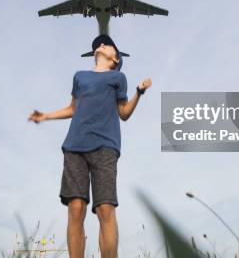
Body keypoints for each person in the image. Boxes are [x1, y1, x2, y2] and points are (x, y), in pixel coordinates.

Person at [27, 34, 152, 258]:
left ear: (115, 59)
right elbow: (72, 108)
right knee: (75, 208)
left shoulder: (117, 78)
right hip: (75, 146)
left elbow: (123, 113)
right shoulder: (80, 77)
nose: (101, 45)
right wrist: (45, 116)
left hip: (105, 146)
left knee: (105, 209)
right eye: (98, 44)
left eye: (107, 44)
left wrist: (139, 92)